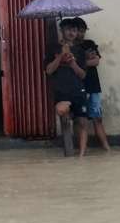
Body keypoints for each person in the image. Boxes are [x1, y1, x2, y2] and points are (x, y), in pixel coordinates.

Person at [45, 18, 88, 157]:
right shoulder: (52, 48)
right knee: (63, 113)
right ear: (62, 30)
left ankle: (81, 157)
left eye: (74, 30)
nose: (71, 32)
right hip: (62, 92)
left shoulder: (80, 51)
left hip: (78, 91)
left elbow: (82, 75)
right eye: (68, 29)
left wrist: (73, 63)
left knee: (82, 122)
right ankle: (69, 153)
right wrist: (59, 57)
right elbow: (49, 71)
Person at [73, 17, 110, 152]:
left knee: (97, 119)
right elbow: (73, 67)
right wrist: (84, 61)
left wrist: (81, 63)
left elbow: (96, 61)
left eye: (83, 31)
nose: (81, 34)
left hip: (93, 86)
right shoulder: (71, 48)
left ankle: (107, 149)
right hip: (78, 87)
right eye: (79, 31)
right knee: (80, 121)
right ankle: (82, 150)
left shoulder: (90, 44)